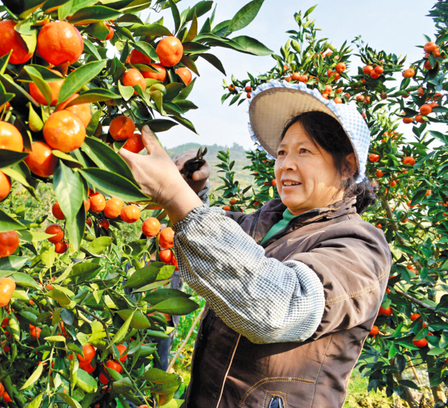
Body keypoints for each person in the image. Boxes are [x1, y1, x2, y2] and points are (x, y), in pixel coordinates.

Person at [119, 80, 391, 408]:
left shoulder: (361, 247)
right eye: (281, 152)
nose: (285, 164)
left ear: (347, 165)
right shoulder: (267, 222)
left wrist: (177, 196)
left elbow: (282, 306)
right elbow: (217, 239)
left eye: (304, 151)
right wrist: (192, 189)